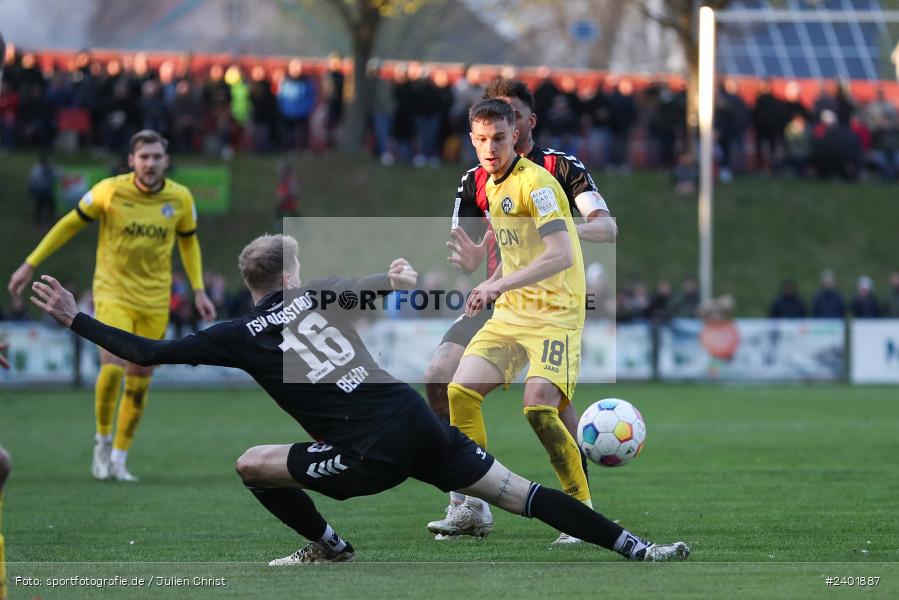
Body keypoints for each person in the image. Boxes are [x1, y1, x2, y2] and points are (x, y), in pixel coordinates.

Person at [30, 234, 689, 565]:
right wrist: (393, 277)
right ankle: (636, 548)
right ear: (290, 273)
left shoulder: (234, 334)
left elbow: (146, 353)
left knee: (251, 463)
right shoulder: (315, 294)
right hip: (411, 418)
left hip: (366, 452)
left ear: (250, 281)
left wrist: (73, 318)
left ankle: (328, 547)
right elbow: (361, 286)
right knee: (517, 495)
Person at [425, 81, 616, 544]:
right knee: (453, 388)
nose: (491, 144)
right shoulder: (480, 181)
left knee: (542, 410)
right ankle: (470, 501)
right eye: (482, 136)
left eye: (501, 132)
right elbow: (489, 240)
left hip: (551, 308)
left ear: (522, 126)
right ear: (473, 136)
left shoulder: (549, 177)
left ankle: (581, 510)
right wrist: (476, 262)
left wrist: (503, 275)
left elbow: (585, 239)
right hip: (505, 305)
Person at [8, 129, 217, 482]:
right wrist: (30, 262)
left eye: (156, 157)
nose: (150, 163)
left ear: (166, 160)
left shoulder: (180, 199)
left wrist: (199, 290)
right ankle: (102, 439)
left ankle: (120, 458)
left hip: (154, 299)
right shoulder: (109, 191)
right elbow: (68, 225)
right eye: (144, 157)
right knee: (114, 364)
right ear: (132, 160)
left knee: (140, 377)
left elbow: (189, 244)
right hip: (113, 292)